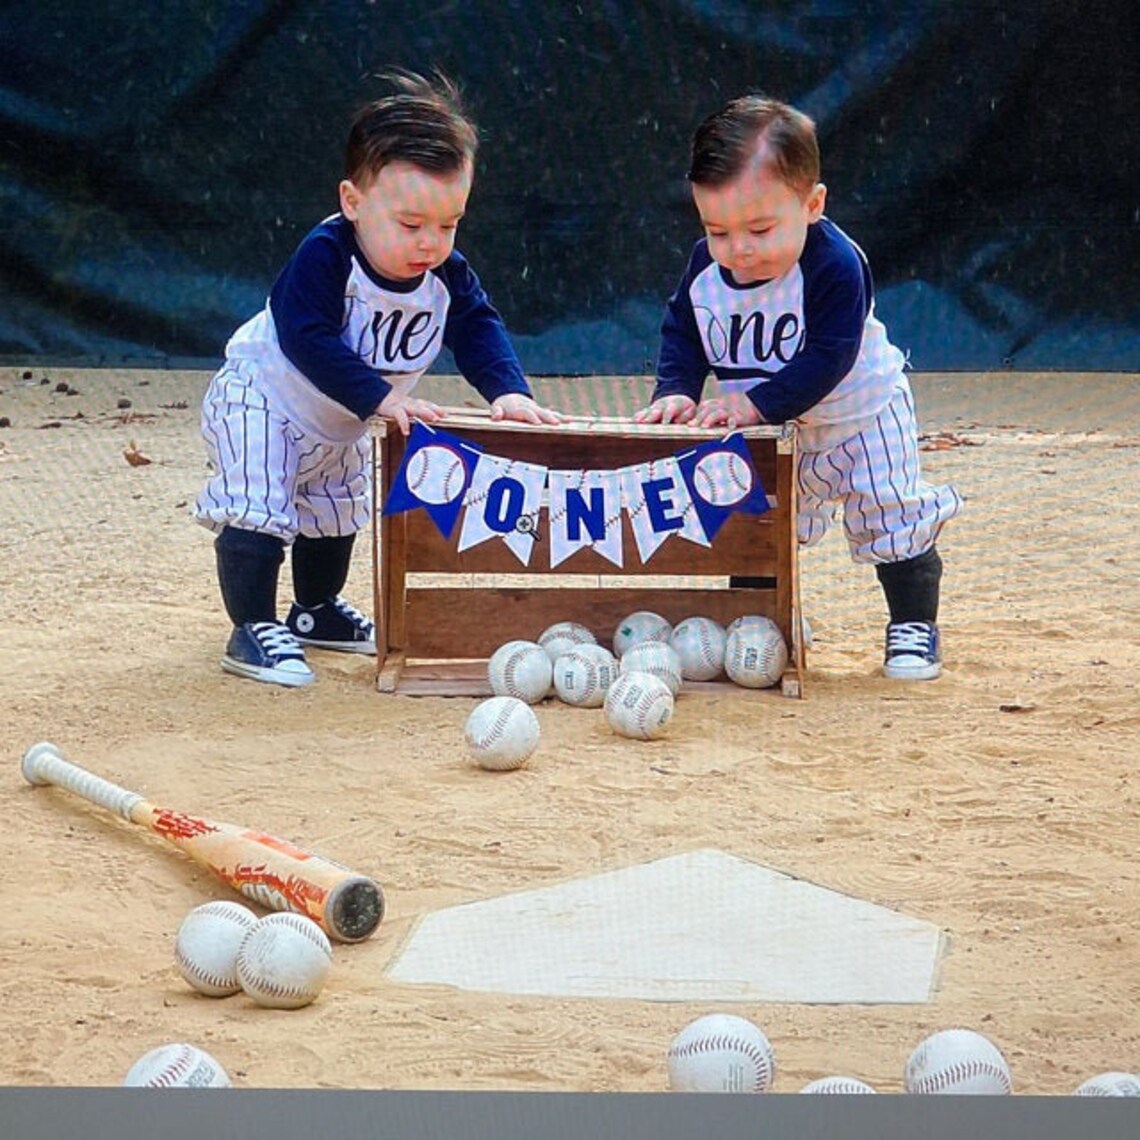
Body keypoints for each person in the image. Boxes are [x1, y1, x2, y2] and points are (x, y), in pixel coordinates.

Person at [194, 69, 560, 687]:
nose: (431, 243)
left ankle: (314, 612)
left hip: (341, 419)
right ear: (353, 202)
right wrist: (380, 397)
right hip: (264, 400)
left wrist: (510, 392)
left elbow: (477, 326)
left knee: (334, 509)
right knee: (258, 505)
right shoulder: (326, 254)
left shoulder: (445, 274)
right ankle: (252, 626)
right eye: (411, 225)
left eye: (449, 224)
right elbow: (306, 336)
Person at [635, 95, 962, 680]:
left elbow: (828, 357)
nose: (739, 249)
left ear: (812, 205)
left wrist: (754, 404)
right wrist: (676, 388)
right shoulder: (707, 268)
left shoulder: (835, 263)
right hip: (774, 429)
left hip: (861, 416)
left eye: (760, 229)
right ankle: (761, 621)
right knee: (757, 525)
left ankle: (912, 625)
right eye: (717, 230)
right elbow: (684, 327)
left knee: (891, 516)